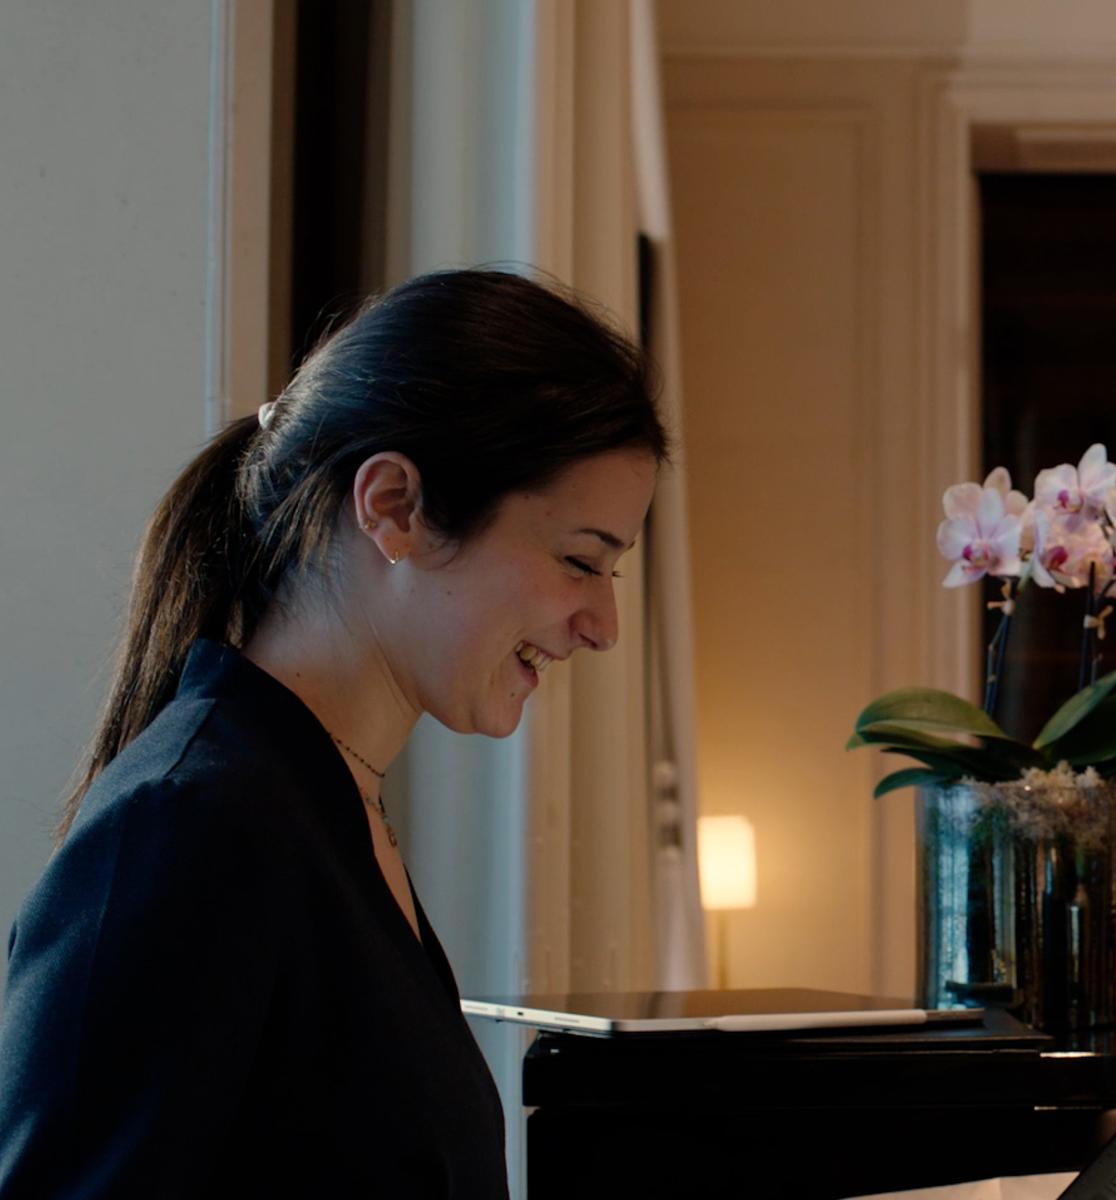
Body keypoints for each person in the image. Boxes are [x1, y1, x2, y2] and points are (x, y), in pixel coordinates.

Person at [0, 269, 667, 1196]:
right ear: (391, 505)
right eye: (578, 561)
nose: (602, 624)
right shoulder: (190, 826)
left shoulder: (324, 804)